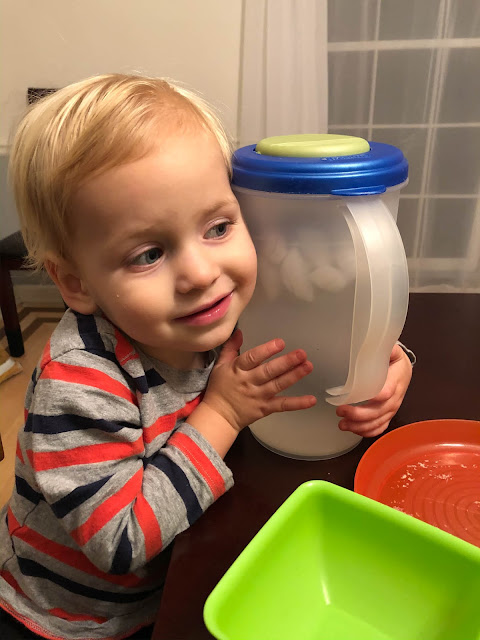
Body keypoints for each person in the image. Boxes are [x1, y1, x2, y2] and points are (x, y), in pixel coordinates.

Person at [0, 73, 413, 640]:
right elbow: (120, 542)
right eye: (148, 254)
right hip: (79, 617)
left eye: (218, 227)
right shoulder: (79, 383)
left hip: (180, 565)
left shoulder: (215, 312)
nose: (200, 273)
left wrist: (389, 362)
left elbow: (320, 326)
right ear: (76, 283)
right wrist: (222, 413)